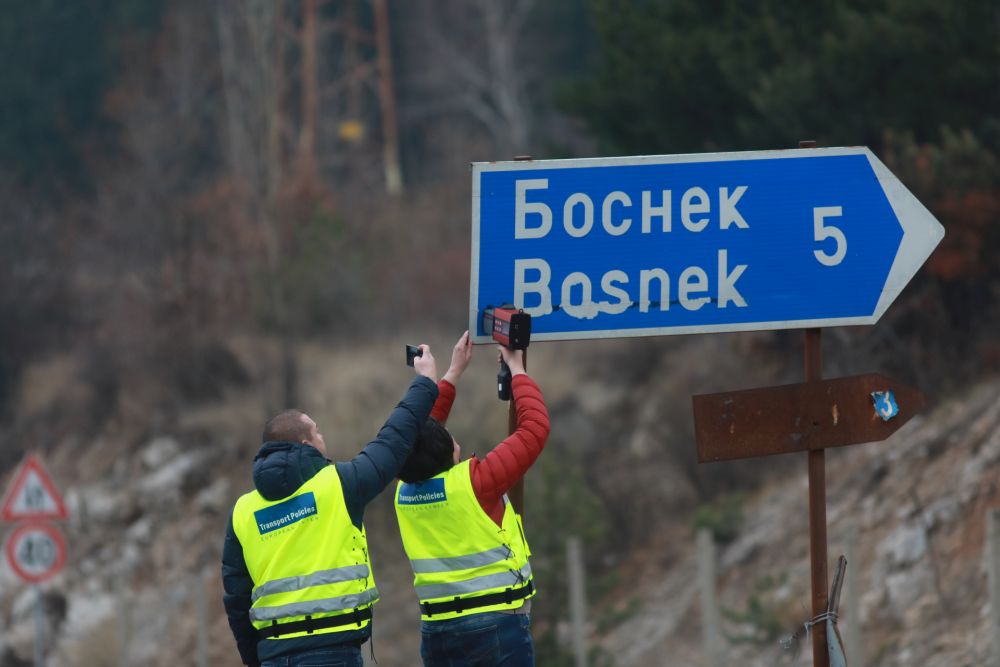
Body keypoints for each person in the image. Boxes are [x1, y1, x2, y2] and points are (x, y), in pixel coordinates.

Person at [222, 345, 439, 667]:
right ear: (307, 444)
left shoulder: (242, 511)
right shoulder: (338, 484)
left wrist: (257, 659)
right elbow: (393, 440)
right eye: (318, 431)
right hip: (333, 652)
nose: (324, 437)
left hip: (274, 655)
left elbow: (237, 600)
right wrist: (425, 382)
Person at [394, 331, 550, 667]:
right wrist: (517, 368)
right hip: (495, 629)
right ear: (449, 452)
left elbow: (420, 437)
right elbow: (534, 428)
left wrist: (451, 374)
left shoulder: (404, 493)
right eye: (450, 438)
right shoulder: (475, 484)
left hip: (437, 632)